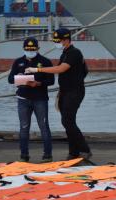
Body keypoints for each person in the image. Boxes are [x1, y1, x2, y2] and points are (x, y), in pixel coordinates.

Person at [25, 28, 92, 160]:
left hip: (74, 92)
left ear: (66, 40)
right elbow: (84, 71)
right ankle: (73, 152)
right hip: (65, 91)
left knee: (68, 120)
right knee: (67, 121)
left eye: (58, 41)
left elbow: (61, 69)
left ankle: (84, 149)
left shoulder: (74, 53)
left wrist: (38, 69)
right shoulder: (65, 53)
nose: (57, 43)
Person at [8, 37, 55, 162]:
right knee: (24, 128)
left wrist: (38, 83)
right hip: (23, 98)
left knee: (44, 127)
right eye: (27, 49)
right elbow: (10, 79)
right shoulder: (18, 62)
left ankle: (47, 155)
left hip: (40, 99)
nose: (30, 51)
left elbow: (51, 81)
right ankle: (24, 156)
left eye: (32, 49)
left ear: (38, 49)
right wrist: (21, 78)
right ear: (23, 49)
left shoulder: (45, 61)